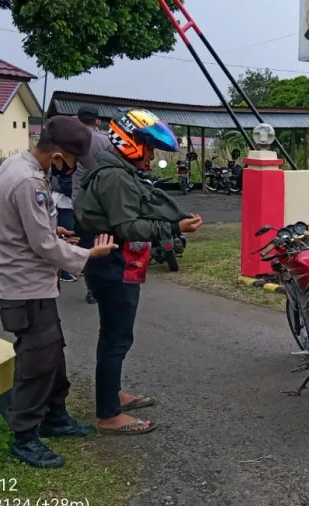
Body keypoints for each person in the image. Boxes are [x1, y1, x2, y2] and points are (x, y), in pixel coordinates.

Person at [0, 116, 118, 468]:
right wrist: (87, 255)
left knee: (52, 355)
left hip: (35, 284)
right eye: (74, 160)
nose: (74, 167)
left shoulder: (17, 165)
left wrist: (54, 229)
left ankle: (55, 416)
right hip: (26, 286)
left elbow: (31, 228)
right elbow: (43, 246)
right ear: (59, 155)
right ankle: (25, 436)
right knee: (36, 362)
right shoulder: (28, 181)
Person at [75, 108, 203, 435]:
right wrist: (174, 227)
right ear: (130, 142)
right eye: (148, 147)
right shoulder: (116, 177)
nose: (151, 155)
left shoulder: (118, 170)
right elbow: (128, 226)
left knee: (115, 335)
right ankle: (109, 415)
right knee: (116, 339)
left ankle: (113, 394)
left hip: (113, 261)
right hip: (112, 263)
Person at [72, 105, 114, 304]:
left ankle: (91, 289)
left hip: (78, 200)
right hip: (101, 200)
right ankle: (105, 284)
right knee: (104, 242)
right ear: (97, 121)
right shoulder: (105, 141)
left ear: (78, 119)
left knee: (86, 246)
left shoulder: (71, 139)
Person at [49, 153, 78, 282]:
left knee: (71, 235)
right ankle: (63, 270)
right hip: (63, 203)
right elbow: (64, 183)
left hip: (67, 203)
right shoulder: (61, 159)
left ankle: (69, 267)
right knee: (66, 236)